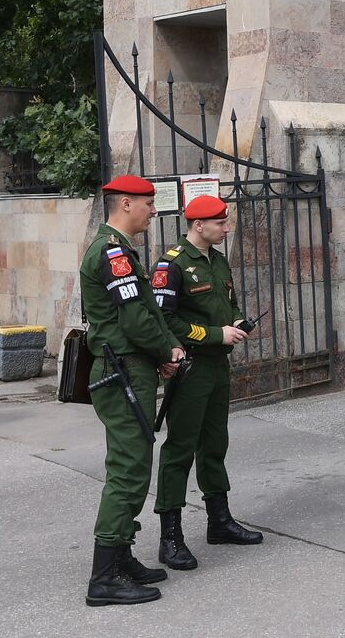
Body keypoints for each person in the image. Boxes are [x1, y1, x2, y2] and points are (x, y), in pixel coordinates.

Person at [78, 175, 186, 606]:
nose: (153, 210)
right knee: (128, 469)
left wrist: (166, 350)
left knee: (135, 463)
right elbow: (134, 321)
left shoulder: (122, 250)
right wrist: (168, 349)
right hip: (121, 370)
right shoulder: (111, 251)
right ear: (125, 204)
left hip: (133, 367)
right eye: (148, 203)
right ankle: (104, 577)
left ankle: (121, 556)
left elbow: (145, 311)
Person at [150, 194, 262, 571]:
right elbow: (165, 321)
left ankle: (220, 521)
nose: (226, 228)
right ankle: (170, 537)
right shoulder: (171, 264)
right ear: (199, 225)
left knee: (215, 443)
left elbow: (228, 303)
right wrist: (217, 334)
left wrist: (237, 323)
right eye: (220, 223)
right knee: (180, 448)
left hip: (218, 367)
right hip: (192, 368)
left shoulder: (216, 260)